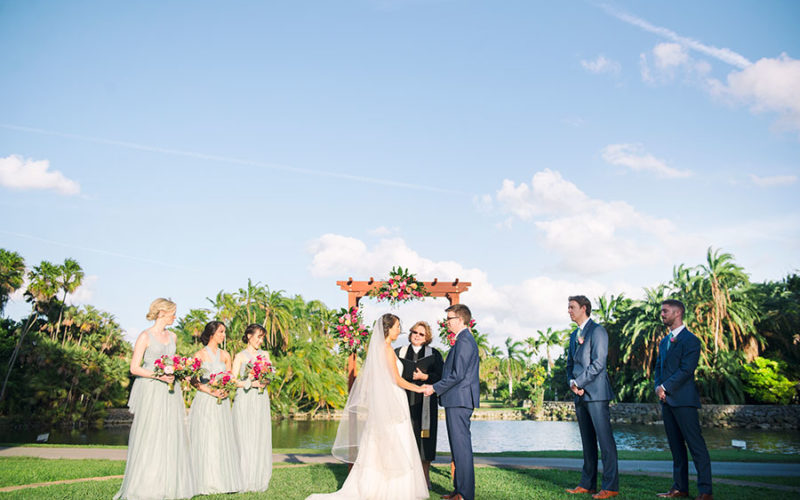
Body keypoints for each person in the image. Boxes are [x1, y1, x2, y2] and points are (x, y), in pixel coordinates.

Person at [306, 313, 428, 500]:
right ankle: (392, 489)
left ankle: (376, 485)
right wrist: (419, 388)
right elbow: (396, 379)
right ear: (388, 329)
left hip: (387, 400)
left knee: (380, 443)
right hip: (393, 399)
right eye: (397, 326)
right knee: (394, 441)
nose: (399, 330)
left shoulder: (379, 349)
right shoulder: (387, 350)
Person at [114, 298, 195, 500]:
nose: (175, 316)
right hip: (151, 389)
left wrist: (181, 373)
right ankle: (147, 485)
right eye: (172, 313)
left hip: (170, 390)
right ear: (161, 313)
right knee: (151, 432)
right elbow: (134, 368)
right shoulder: (145, 336)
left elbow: (173, 363)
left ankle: (168, 484)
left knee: (170, 433)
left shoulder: (173, 336)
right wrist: (158, 376)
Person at [655, 299, 713, 500]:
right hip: (666, 402)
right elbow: (658, 368)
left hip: (685, 402)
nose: (662, 315)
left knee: (696, 447)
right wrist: (658, 387)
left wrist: (665, 387)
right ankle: (680, 488)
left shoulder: (691, 340)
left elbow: (687, 370)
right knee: (676, 448)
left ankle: (705, 491)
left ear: (678, 313)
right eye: (662, 311)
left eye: (665, 311)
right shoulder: (664, 342)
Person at [422, 304, 480, 500]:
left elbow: (457, 375)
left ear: (460, 320)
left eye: (449, 319)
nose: (446, 322)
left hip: (459, 400)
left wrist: (434, 388)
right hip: (456, 399)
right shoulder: (462, 340)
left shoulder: (464, 341)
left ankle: (464, 494)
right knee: (458, 448)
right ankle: (459, 491)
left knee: (461, 448)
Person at [565, 295, 619, 499]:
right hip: (579, 395)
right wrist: (572, 383)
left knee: (605, 442)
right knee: (587, 443)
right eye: (568, 307)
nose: (569, 311)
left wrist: (579, 382)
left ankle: (611, 486)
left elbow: (598, 364)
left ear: (584, 308)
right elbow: (569, 365)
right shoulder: (574, 335)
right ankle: (587, 484)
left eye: (572, 307)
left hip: (596, 394)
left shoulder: (598, 331)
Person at [189, 321, 243, 494]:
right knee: (206, 437)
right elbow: (193, 381)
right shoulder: (199, 355)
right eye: (221, 332)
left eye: (224, 332)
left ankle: (222, 480)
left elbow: (229, 378)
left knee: (221, 437)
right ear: (211, 333)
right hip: (205, 400)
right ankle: (203, 481)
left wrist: (226, 390)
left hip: (222, 401)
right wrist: (211, 391)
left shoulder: (226, 355)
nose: (224, 335)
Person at [395, 320, 444, 487]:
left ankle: (425, 477)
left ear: (427, 337)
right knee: (403, 438)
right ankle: (404, 478)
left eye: (421, 334)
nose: (417, 336)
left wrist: (425, 377)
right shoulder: (398, 352)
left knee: (425, 440)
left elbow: (442, 377)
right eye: (414, 332)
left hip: (426, 402)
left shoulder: (434, 354)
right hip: (403, 399)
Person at [232, 324, 273, 492]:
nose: (260, 341)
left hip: (261, 398)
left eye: (262, 338)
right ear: (249, 336)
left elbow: (269, 376)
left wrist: (265, 380)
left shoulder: (265, 355)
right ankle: (242, 478)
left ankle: (258, 477)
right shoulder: (240, 356)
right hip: (244, 398)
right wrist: (250, 382)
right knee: (243, 435)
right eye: (258, 337)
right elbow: (232, 381)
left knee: (259, 434)